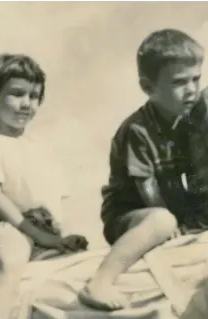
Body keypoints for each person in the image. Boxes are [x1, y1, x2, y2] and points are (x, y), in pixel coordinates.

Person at [79, 28, 208, 311]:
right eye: (179, 82)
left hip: (172, 209)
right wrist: (170, 221)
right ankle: (100, 281)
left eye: (196, 79)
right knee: (161, 221)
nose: (191, 89)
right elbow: (145, 185)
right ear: (149, 88)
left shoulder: (186, 120)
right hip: (130, 216)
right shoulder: (138, 129)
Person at [0, 53, 88, 319]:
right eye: (17, 94)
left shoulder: (41, 148)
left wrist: (59, 236)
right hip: (1, 225)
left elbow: (55, 201)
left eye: (34, 96)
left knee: (75, 271)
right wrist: (34, 233)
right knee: (12, 258)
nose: (27, 104)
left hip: (41, 228)